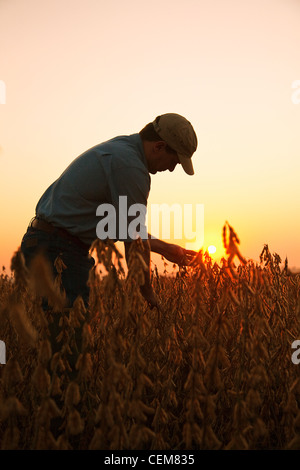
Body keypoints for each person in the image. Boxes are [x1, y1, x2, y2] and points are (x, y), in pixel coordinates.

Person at [20, 113, 198, 311]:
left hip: (46, 242)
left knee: (57, 332)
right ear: (159, 146)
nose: (172, 169)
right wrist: (148, 295)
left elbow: (124, 228)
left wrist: (165, 249)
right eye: (175, 161)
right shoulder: (131, 167)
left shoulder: (123, 149)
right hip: (59, 250)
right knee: (70, 336)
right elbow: (134, 241)